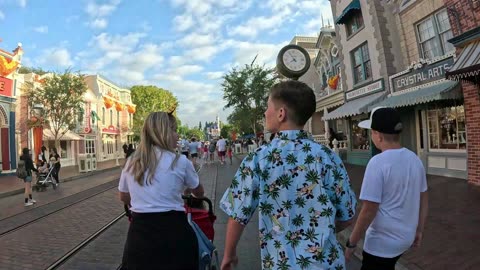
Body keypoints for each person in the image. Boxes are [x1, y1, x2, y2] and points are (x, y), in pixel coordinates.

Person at [220, 80, 357, 270]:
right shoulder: (327, 157)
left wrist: (229, 254)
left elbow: (237, 214)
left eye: (268, 106)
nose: (265, 112)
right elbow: (347, 215)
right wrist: (322, 228)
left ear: (281, 113)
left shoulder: (259, 158)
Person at [344, 107, 429, 270]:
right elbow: (424, 199)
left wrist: (352, 242)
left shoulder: (377, 163)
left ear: (378, 135)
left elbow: (368, 210)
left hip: (381, 245)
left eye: (372, 132)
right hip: (405, 238)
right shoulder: (415, 159)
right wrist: (419, 230)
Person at [119, 111, 205, 270]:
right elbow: (198, 192)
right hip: (174, 234)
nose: (177, 135)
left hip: (140, 236)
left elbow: (124, 196)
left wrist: (144, 199)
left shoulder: (131, 162)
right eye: (173, 130)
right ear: (163, 133)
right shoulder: (181, 162)